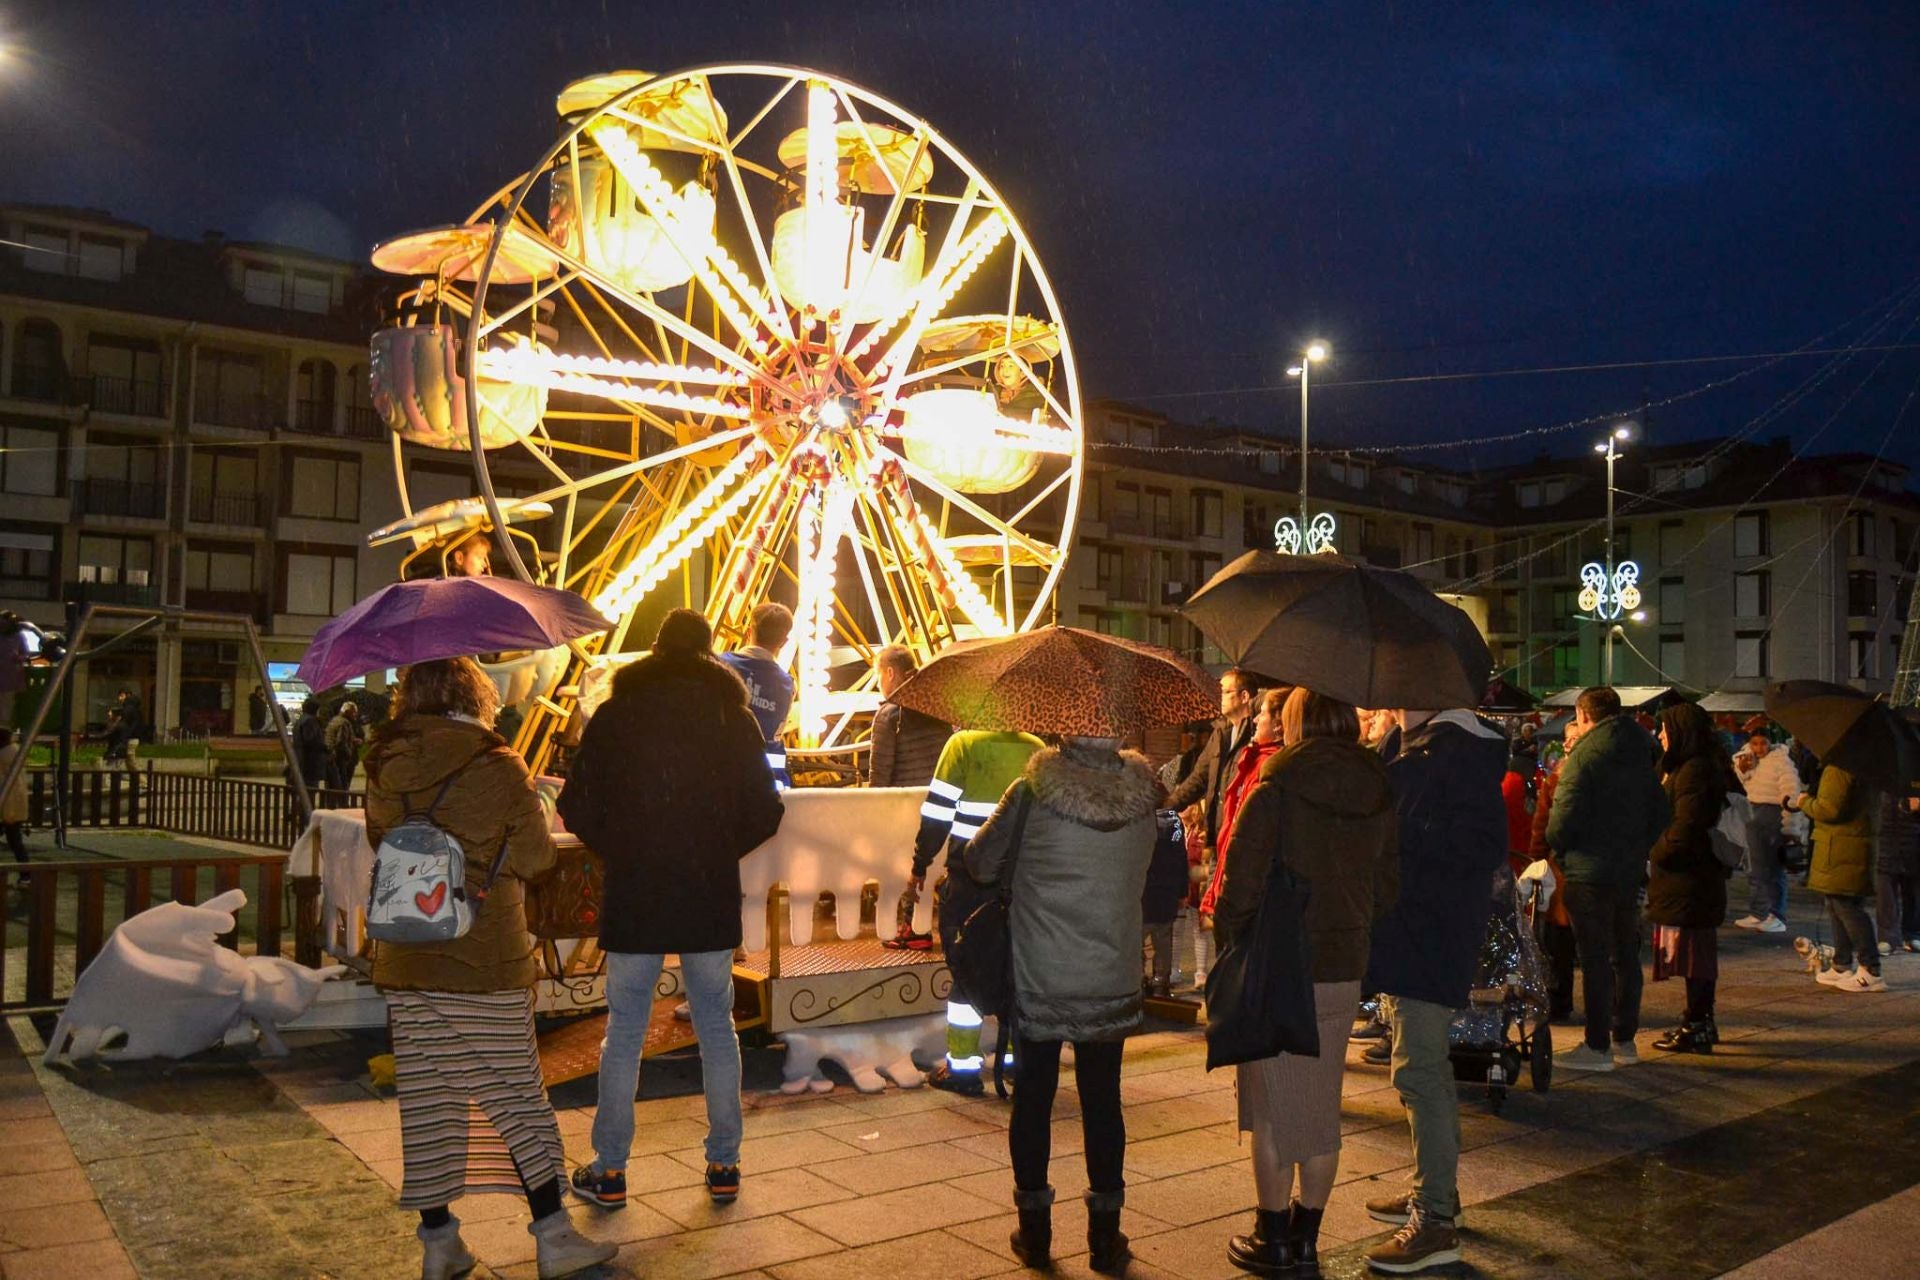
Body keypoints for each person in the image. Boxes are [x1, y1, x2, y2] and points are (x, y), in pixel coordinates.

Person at [363, 656, 613, 1280]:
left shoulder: (385, 762)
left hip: (407, 953)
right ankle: (554, 1238)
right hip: (483, 957)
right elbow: (533, 859)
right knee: (517, 1095)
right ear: (476, 696)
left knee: (428, 1100)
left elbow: (381, 840)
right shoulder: (498, 765)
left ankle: (440, 1243)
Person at [559, 609, 785, 1210]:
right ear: (710, 655)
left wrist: (624, 848)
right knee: (715, 1025)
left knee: (625, 1029)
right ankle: (724, 1163)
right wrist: (713, 849)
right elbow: (767, 810)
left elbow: (575, 804)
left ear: (655, 650)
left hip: (636, 889)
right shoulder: (731, 718)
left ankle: (609, 1170)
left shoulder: (616, 714)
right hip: (706, 890)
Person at [1214, 689, 1398, 1276]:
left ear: (1295, 722)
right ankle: (1307, 1236)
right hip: (1343, 967)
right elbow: (1388, 886)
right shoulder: (1378, 789)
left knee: (1271, 1110)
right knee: (1319, 1107)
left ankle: (1273, 1238)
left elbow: (1238, 885)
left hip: (1278, 965)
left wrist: (1233, 940)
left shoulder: (1278, 786)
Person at [965, 735, 1159, 1274]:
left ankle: (1035, 1233)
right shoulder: (1145, 799)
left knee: (1034, 1100)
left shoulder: (1030, 792)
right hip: (1110, 974)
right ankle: (1105, 1237)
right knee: (1103, 1103)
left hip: (1040, 975)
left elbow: (979, 863)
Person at [1360, 705, 1507, 1275]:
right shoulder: (1413, 745)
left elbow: (1483, 845)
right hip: (1409, 928)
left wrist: (1407, 831)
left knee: (1418, 1071)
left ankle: (1436, 1219)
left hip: (1431, 931)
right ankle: (1433, 1190)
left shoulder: (1456, 751)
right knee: (1417, 1068)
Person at [906, 725, 1044, 1092]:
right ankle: (1017, 1063)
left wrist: (921, 862)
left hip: (970, 878)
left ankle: (964, 1069)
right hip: (1019, 879)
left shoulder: (961, 745)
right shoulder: (1037, 748)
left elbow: (938, 812)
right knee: (1015, 967)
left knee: (967, 966)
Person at [1546, 687, 1668, 1073]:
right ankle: (1624, 1039)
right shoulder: (1640, 751)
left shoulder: (1585, 754)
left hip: (1589, 868)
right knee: (1625, 955)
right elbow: (1660, 809)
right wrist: (1637, 846)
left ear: (1583, 715)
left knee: (1595, 958)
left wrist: (1561, 849)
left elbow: (1563, 816)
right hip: (1626, 869)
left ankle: (1596, 1045)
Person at [1647, 703, 1740, 1053]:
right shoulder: (1689, 767)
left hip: (1690, 877)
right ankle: (1699, 1021)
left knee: (1694, 955)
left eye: (1665, 730)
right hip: (1689, 878)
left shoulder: (1695, 771)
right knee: (1692, 954)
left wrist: (1656, 851)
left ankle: (1697, 1024)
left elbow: (1687, 826)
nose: (1660, 736)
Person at [1166, 669, 1267, 988]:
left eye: (1225, 691)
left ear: (1244, 696)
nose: (1219, 696)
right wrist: (1165, 807)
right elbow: (1197, 780)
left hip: (1241, 837)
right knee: (1216, 915)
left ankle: (1242, 981)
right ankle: (1228, 982)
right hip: (1217, 839)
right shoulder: (1220, 734)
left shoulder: (1258, 734)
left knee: (1237, 911)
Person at [1789, 762, 1886, 993]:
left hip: (1842, 845)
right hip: (1850, 843)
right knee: (1837, 903)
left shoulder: (1840, 767)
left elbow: (1829, 809)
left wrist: (1804, 802)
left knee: (1846, 906)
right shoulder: (1865, 765)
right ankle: (1842, 964)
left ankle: (1870, 968)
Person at [1197, 687, 1288, 927]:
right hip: (1231, 880)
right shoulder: (1253, 759)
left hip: (1245, 895)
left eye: (1263, 714)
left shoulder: (1269, 766)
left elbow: (1251, 838)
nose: (1256, 719)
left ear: (1279, 724)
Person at [1526, 720, 1583, 1023]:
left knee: (1569, 937)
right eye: (1568, 739)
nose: (1570, 743)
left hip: (1573, 864)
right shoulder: (1557, 776)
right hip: (1560, 869)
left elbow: (1548, 824)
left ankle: (1562, 999)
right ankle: (1559, 997)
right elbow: (1541, 822)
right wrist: (1537, 860)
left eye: (1575, 737)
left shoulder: (1567, 776)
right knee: (1558, 939)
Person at [720, 603, 796, 788]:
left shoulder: (720, 665)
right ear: (784, 642)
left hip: (721, 772)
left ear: (749, 631)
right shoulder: (787, 685)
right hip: (762, 780)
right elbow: (775, 737)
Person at [1733, 728, 1799, 932]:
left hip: (1773, 813)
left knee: (1772, 866)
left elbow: (1791, 792)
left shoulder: (1781, 760)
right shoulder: (1747, 757)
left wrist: (1790, 825)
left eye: (1763, 743)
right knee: (1755, 866)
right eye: (1755, 743)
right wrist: (1742, 769)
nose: (1759, 748)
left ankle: (1776, 914)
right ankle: (1759, 911)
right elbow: (1742, 782)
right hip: (1752, 811)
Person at [866, 645, 951, 788]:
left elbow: (880, 776)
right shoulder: (937, 703)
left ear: (890, 673)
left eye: (878, 675)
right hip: (937, 799)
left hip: (902, 803)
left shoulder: (888, 715)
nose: (878, 685)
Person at [1142, 807, 1190, 998]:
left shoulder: (1141, 820)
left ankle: (1137, 980)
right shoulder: (1175, 822)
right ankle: (1160, 983)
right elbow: (1181, 858)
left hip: (1144, 891)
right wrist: (1181, 891)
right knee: (1163, 941)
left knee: (1136, 940)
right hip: (1167, 892)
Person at [1875, 790, 1920, 953]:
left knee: (1913, 889)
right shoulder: (1880, 775)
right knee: (1885, 889)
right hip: (1884, 835)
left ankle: (1912, 933)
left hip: (1914, 836)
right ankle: (1887, 936)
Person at [288, 695, 329, 809]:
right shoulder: (310, 721)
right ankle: (306, 814)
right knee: (310, 790)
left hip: (302, 760)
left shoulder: (301, 720)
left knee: (303, 790)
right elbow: (311, 741)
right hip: (310, 762)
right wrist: (325, 747)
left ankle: (300, 811)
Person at [1, 727, 27, 880]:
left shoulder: (3, 757)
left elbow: (7, 786)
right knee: (15, 841)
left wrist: (8, 812)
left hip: (7, 806)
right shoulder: (14, 754)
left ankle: (25, 874)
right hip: (14, 805)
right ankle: (25, 874)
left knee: (15, 841)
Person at [324, 701, 364, 795]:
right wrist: (348, 754)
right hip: (341, 759)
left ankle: (330, 803)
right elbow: (341, 742)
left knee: (332, 784)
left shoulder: (334, 720)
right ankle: (341, 804)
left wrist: (352, 740)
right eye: (353, 712)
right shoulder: (344, 723)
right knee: (342, 784)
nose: (355, 714)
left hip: (332, 757)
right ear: (347, 712)